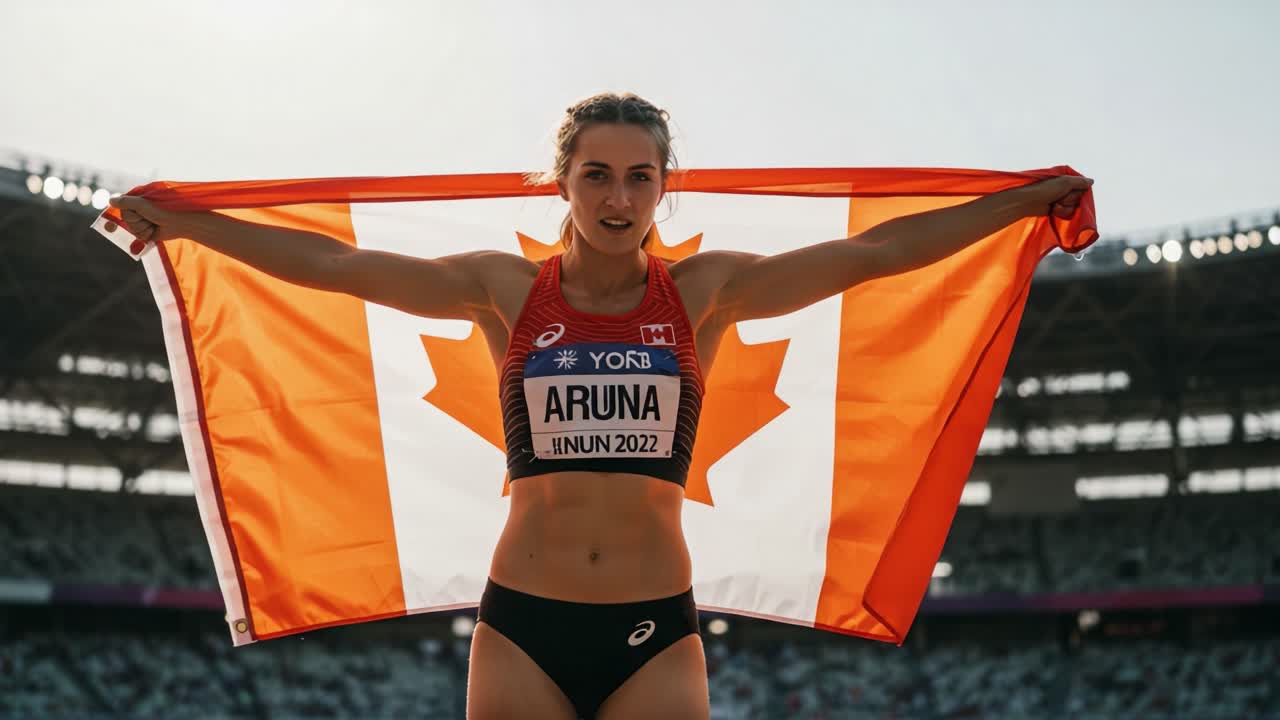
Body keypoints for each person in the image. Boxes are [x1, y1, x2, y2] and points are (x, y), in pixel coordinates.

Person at [110, 92, 1091, 720]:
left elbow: (873, 257)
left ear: (664, 186)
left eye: (638, 177)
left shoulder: (700, 292)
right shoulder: (505, 288)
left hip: (652, 626)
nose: (617, 197)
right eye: (595, 174)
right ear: (561, 182)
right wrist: (192, 226)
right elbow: (335, 265)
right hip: (520, 626)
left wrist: (1012, 209)